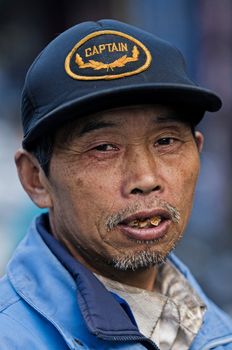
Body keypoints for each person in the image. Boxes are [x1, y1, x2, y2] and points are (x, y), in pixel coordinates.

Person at [0, 19, 231, 350]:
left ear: (198, 150)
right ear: (36, 179)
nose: (146, 179)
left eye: (165, 141)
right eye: (104, 148)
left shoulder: (214, 334)